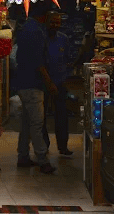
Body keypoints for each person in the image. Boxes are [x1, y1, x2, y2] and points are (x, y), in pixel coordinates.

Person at [15, 2, 56, 174]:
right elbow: (39, 63)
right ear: (43, 15)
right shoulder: (37, 31)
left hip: (23, 82)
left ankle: (23, 155)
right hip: (33, 84)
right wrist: (49, 83)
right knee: (37, 123)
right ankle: (42, 159)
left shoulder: (26, 28)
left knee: (27, 122)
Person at [42, 11, 72, 156]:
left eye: (57, 22)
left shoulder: (63, 39)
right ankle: (44, 145)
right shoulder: (42, 39)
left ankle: (63, 145)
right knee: (41, 117)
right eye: (53, 22)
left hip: (60, 81)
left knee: (62, 115)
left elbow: (67, 59)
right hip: (43, 82)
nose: (55, 25)